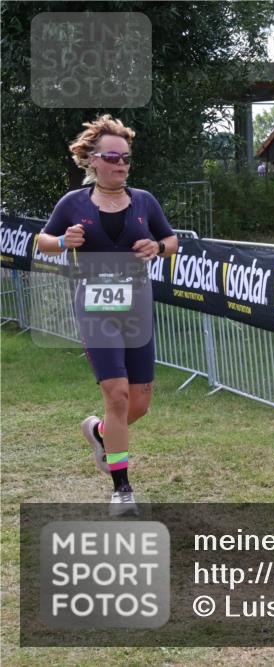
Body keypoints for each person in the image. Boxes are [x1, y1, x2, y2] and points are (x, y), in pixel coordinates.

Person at [36, 115, 178, 515]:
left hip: (137, 306)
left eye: (126, 158)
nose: (121, 165)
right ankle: (122, 490)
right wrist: (63, 239)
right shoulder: (73, 203)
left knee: (140, 402)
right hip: (95, 307)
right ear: (93, 160)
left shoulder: (144, 201)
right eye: (113, 157)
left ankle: (99, 433)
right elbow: (43, 240)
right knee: (115, 396)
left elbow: (172, 240)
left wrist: (158, 248)